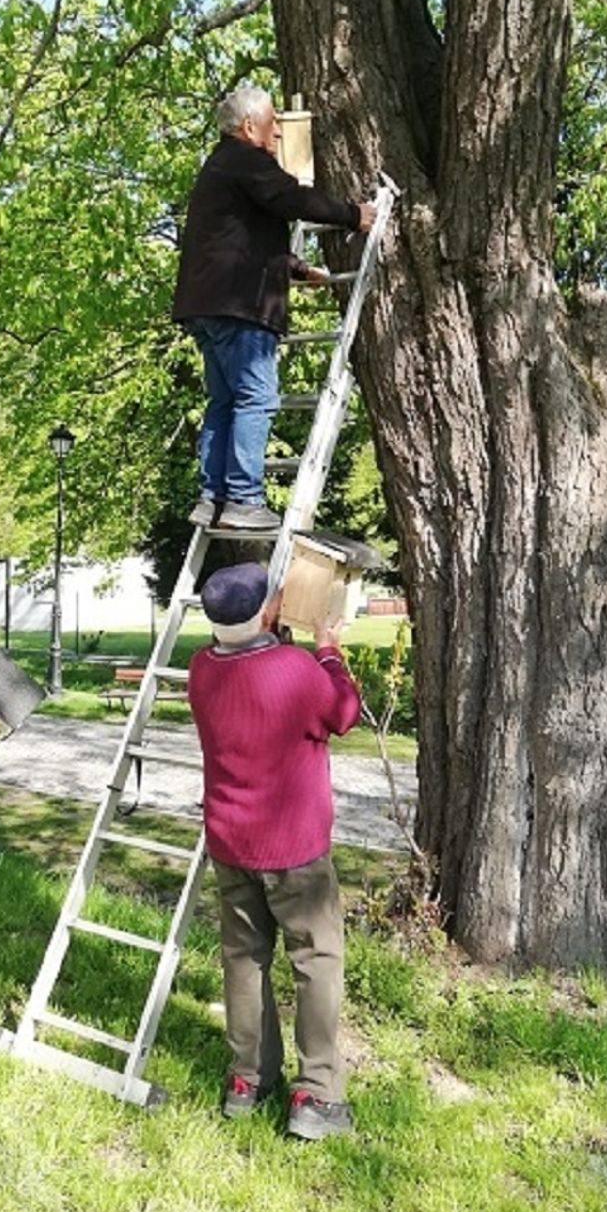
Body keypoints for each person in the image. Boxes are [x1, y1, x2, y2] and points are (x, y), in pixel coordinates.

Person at [187, 562, 362, 1139]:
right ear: (266, 611)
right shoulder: (295, 669)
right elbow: (343, 713)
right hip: (294, 846)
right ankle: (316, 1095)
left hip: (231, 841)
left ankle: (248, 1079)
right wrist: (329, 648)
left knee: (244, 958)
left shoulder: (201, 669)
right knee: (315, 961)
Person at [173, 86, 376, 530]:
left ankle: (213, 498)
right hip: (239, 306)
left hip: (208, 304)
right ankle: (244, 500)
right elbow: (292, 199)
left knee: (224, 400)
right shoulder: (247, 160)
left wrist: (297, 269)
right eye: (272, 123)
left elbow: (239, 239)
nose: (279, 134)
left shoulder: (220, 167)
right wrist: (352, 214)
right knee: (256, 398)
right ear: (249, 127)